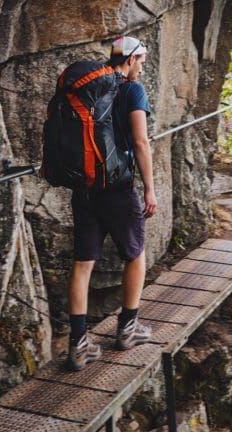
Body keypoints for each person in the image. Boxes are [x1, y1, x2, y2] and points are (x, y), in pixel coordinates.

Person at [66, 35, 158, 371]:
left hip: (85, 186)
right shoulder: (131, 90)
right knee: (135, 254)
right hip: (118, 188)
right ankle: (128, 329)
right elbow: (140, 140)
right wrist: (149, 188)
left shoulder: (90, 89)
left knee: (83, 263)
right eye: (142, 60)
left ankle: (78, 345)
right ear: (131, 59)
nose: (142, 66)